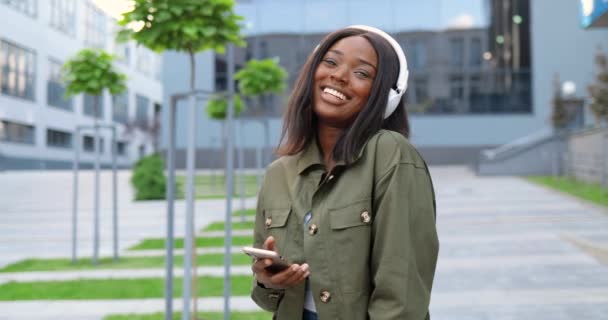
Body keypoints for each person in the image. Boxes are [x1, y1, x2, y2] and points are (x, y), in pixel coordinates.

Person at [250, 25, 439, 320]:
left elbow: (401, 293)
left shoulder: (390, 154)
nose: (338, 76)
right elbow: (267, 298)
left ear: (384, 95)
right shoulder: (278, 172)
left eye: (362, 73)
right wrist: (268, 280)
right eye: (330, 62)